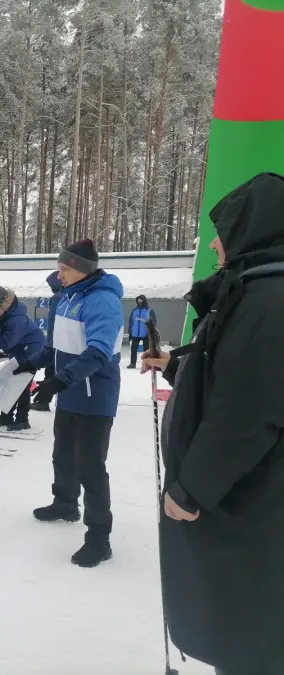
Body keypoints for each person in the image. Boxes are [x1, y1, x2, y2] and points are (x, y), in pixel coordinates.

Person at [141, 173, 284, 675]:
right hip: (243, 500)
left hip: (250, 504)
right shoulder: (255, 290)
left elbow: (248, 411)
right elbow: (229, 372)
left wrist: (191, 488)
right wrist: (175, 366)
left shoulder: (269, 300)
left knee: (248, 639)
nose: (214, 245)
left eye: (222, 232)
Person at [14, 239, 124, 568]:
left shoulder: (103, 300)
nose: (58, 275)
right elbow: (55, 347)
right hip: (70, 394)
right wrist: (31, 364)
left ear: (81, 269)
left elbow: (98, 352)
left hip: (95, 398)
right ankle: (65, 503)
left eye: (63, 269)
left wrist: (61, 380)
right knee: (63, 455)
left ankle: (99, 538)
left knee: (91, 468)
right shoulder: (67, 298)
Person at [0, 287, 46, 431]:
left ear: (1, 305)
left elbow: (7, 342)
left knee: (21, 385)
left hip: (31, 352)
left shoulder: (15, 319)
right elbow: (7, 336)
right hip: (21, 350)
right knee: (10, 384)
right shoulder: (6, 314)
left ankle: (22, 419)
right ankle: (6, 416)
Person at [31, 271, 64, 412]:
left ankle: (44, 401)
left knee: (51, 371)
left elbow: (54, 323)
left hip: (55, 341)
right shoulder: (68, 296)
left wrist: (50, 342)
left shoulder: (57, 298)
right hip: (61, 341)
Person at [126, 295, 157, 369]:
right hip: (135, 333)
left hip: (145, 333)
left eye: (141, 300)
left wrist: (150, 331)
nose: (139, 302)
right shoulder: (134, 310)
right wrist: (130, 332)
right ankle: (132, 363)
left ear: (144, 300)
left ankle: (146, 364)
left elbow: (154, 322)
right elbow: (131, 322)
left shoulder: (149, 310)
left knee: (146, 350)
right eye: (138, 300)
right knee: (133, 349)